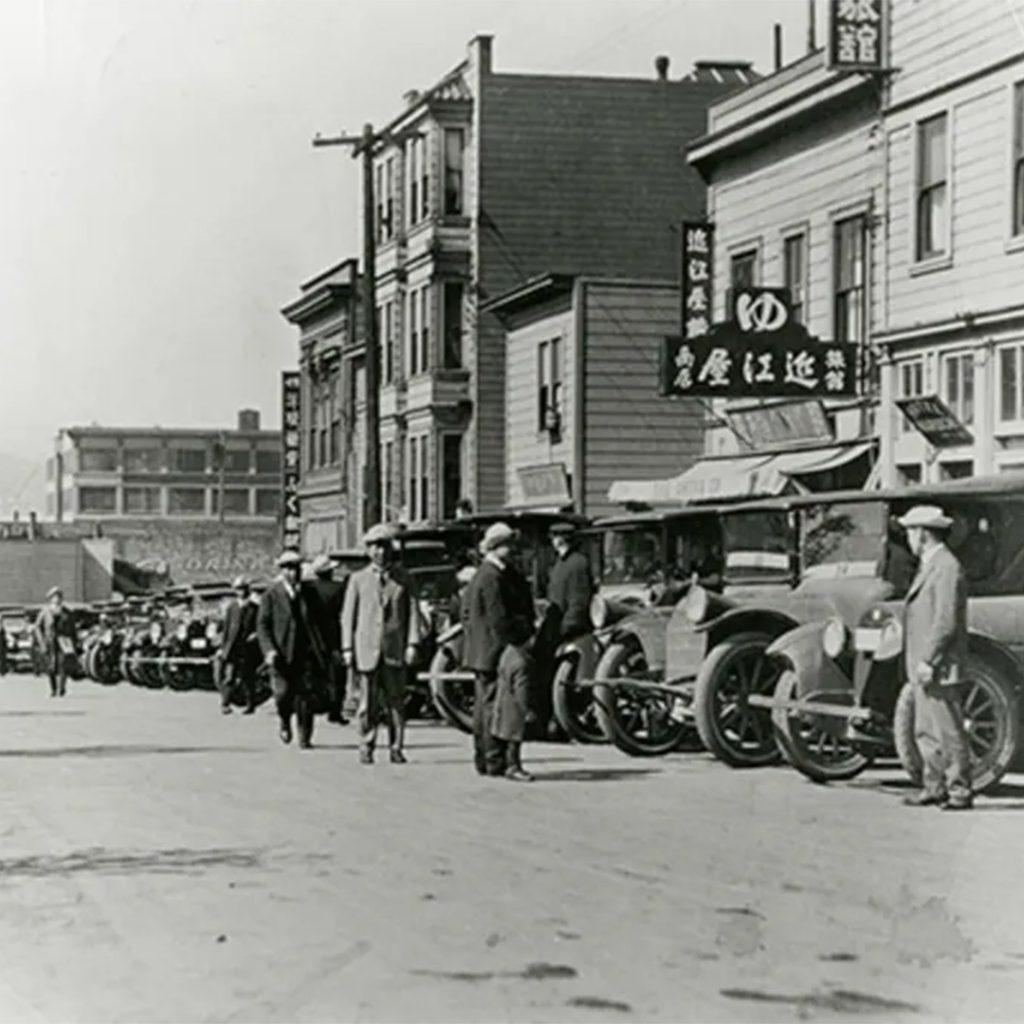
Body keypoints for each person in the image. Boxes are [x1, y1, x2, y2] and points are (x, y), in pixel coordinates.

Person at [899, 505, 973, 811]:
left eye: (909, 532)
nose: (907, 539)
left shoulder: (946, 567)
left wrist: (929, 659)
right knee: (925, 729)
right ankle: (934, 786)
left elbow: (945, 621)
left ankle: (959, 791)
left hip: (938, 664)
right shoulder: (934, 564)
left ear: (923, 533)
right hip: (926, 663)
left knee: (948, 729)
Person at [341, 524, 421, 765]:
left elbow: (414, 613)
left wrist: (412, 644)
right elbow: (348, 617)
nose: (380, 552)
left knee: (397, 703)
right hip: (366, 650)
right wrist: (347, 648)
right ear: (368, 551)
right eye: (375, 548)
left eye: (384, 547)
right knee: (367, 704)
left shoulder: (404, 579)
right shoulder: (358, 580)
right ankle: (366, 745)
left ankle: (396, 747)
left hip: (394, 649)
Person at [462, 522, 535, 776]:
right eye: (508, 544)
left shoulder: (483, 575)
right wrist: (522, 635)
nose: (513, 549)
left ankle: (485, 759)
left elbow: (468, 614)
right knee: (498, 708)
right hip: (496, 651)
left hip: (483, 651)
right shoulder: (493, 577)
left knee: (484, 708)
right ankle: (496, 760)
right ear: (495, 547)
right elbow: (499, 619)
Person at [257, 551, 327, 749]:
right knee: (282, 694)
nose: (292, 573)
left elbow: (320, 622)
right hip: (281, 654)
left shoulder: (310, 593)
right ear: (281, 571)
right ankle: (285, 720)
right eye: (287, 568)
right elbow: (263, 625)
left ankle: (305, 737)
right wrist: (269, 650)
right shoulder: (271, 594)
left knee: (306, 696)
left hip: (305, 653)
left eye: (295, 568)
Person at [303, 554, 349, 725]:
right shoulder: (338, 588)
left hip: (311, 637)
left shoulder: (308, 589)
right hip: (333, 635)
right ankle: (335, 710)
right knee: (337, 675)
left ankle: (312, 706)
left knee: (313, 675)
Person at [491, 617, 536, 782]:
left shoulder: (507, 653)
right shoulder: (522, 663)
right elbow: (521, 690)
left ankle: (504, 765)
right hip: (514, 708)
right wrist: (527, 710)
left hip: (502, 701)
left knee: (505, 737)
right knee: (514, 741)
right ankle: (514, 767)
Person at [218, 577, 259, 715]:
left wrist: (255, 635)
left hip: (248, 648)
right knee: (229, 676)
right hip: (233, 647)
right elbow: (226, 629)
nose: (240, 592)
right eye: (238, 589)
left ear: (248, 590)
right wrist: (223, 648)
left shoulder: (255, 608)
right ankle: (225, 704)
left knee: (248, 677)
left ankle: (250, 705)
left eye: (243, 589)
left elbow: (261, 626)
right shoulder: (232, 607)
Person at [34, 586, 77, 697]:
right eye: (54, 597)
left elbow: (73, 628)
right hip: (50, 641)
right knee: (51, 666)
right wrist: (41, 641)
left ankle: (62, 688)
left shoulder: (67, 612)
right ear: (50, 599)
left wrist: (74, 642)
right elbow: (37, 626)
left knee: (63, 664)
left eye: (59, 597)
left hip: (63, 641)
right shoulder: (45, 611)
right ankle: (53, 689)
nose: (57, 599)